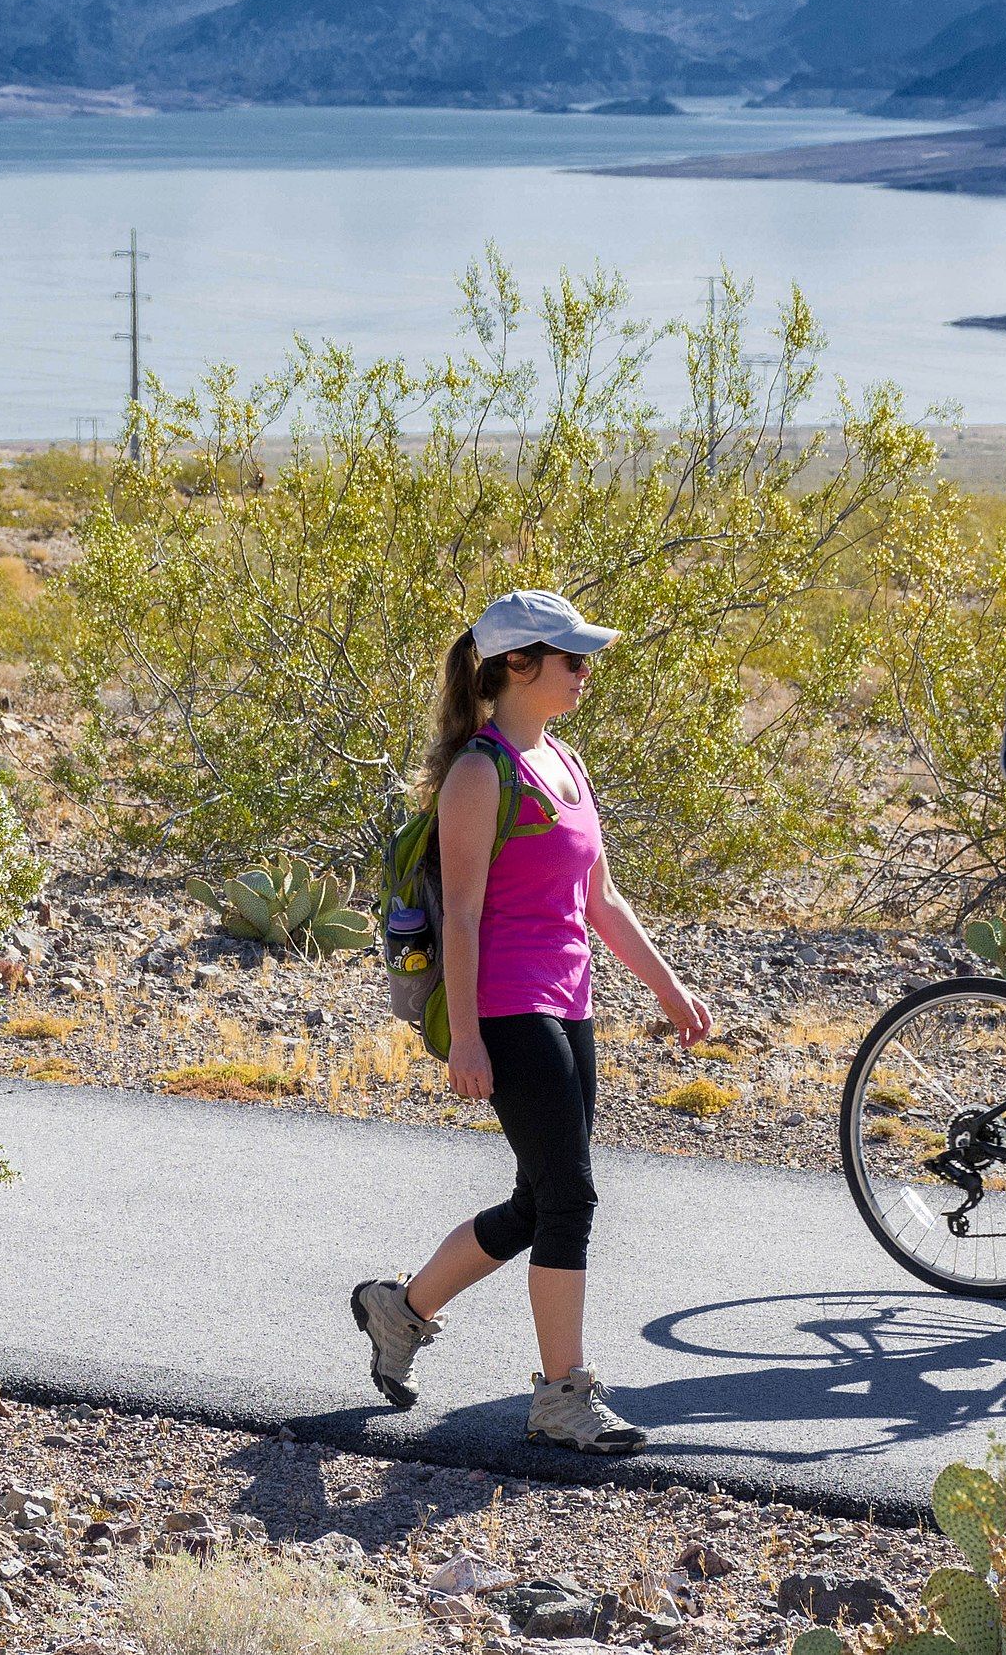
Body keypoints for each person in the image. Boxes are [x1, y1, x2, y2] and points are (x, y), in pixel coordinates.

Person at [351, 589, 715, 1452]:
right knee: (571, 1198)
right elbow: (467, 917)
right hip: (508, 1003)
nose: (586, 673)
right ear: (519, 666)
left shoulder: (564, 761)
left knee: (538, 1197)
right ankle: (561, 1397)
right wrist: (468, 1035)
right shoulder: (480, 774)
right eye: (572, 659)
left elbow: (601, 898)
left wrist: (669, 988)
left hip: (570, 996)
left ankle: (398, 1311)